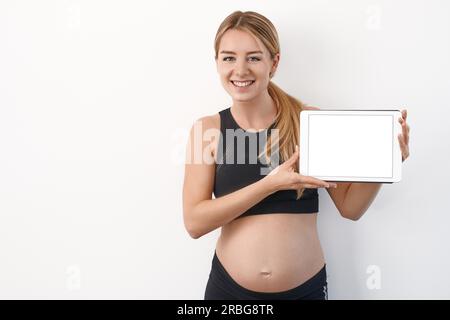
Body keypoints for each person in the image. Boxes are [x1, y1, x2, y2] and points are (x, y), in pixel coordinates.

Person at [182, 10, 410, 300]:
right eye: (229, 57)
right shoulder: (208, 130)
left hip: (305, 290)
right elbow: (194, 222)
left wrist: (386, 160)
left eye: (254, 57)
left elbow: (350, 209)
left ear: (274, 62)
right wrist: (269, 184)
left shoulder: (308, 122)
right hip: (229, 291)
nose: (240, 70)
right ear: (217, 62)